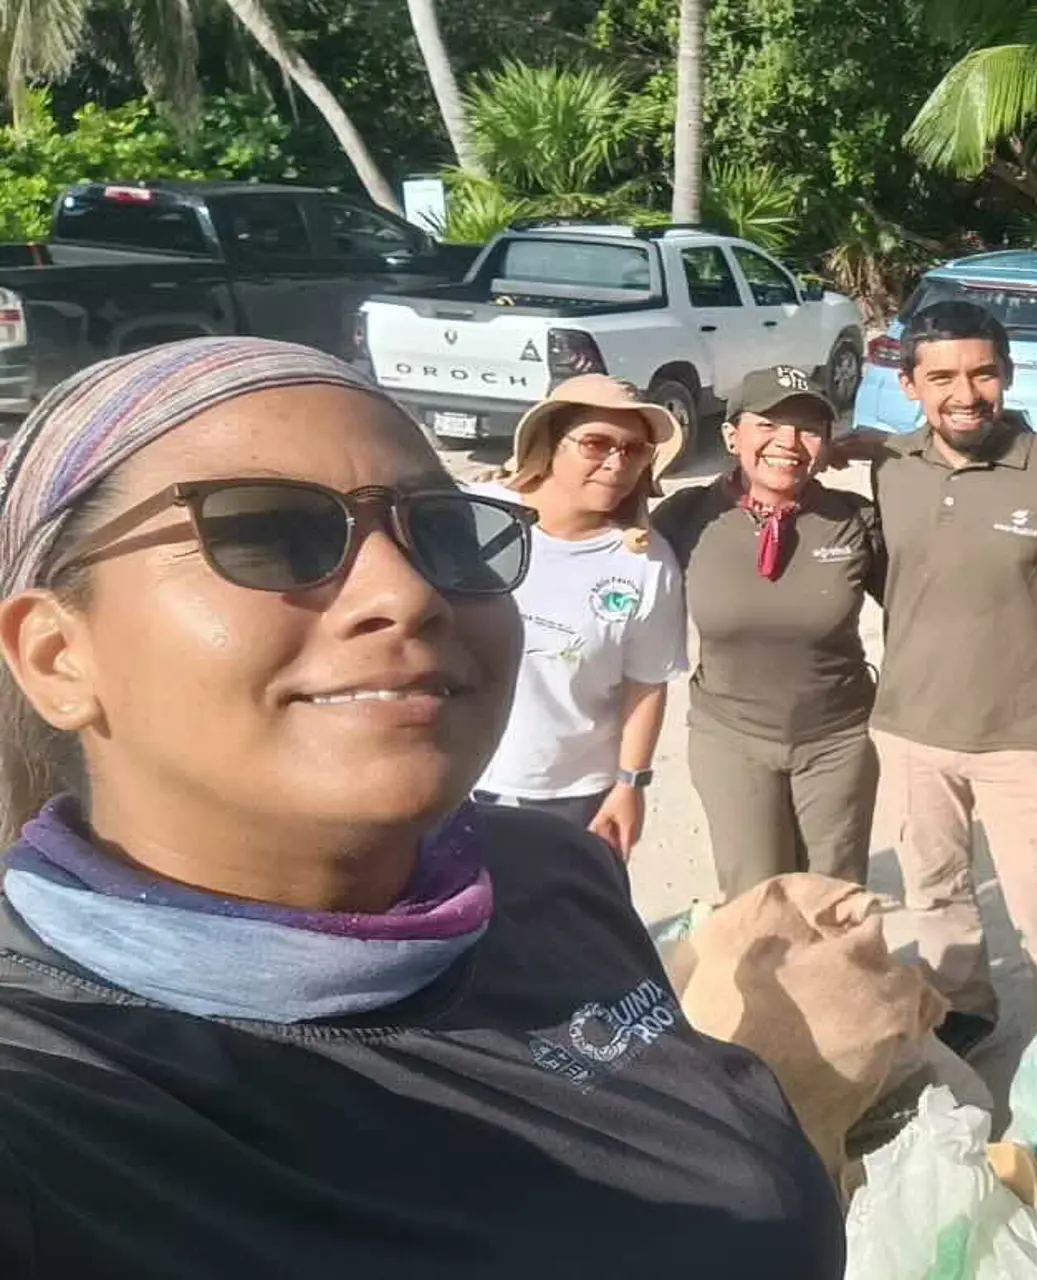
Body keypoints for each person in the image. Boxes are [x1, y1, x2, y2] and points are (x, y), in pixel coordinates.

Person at [0, 338, 844, 1277]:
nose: (406, 592)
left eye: (441, 530)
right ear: (56, 656)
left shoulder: (545, 877)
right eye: (268, 532)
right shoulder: (56, 1104)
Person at [869, 300, 1037, 1055]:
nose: (965, 392)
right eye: (941, 375)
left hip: (1020, 740)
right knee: (936, 897)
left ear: (1009, 376)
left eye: (984, 373)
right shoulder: (890, 465)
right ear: (911, 384)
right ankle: (964, 1015)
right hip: (910, 730)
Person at [652, 366, 885, 899]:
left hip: (836, 741)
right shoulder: (687, 518)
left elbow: (924, 607)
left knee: (834, 901)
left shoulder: (853, 519)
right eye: (769, 425)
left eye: (808, 429)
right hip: (731, 738)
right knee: (755, 903)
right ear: (732, 435)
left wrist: (893, 449)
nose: (789, 443)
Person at [469, 374, 687, 857]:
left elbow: (647, 683)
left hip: (572, 796)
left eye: (635, 450)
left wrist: (630, 785)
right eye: (596, 443)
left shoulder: (646, 564)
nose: (616, 463)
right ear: (549, 443)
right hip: (454, 776)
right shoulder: (472, 519)